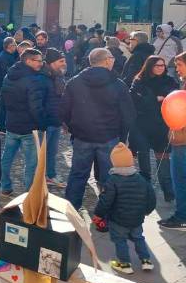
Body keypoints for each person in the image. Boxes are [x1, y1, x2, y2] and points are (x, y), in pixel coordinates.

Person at [60, 48, 136, 210]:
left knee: (78, 175)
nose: (114, 60)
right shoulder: (118, 84)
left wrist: (74, 128)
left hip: (83, 137)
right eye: (112, 58)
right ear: (107, 60)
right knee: (109, 178)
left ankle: (71, 212)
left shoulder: (74, 82)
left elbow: (64, 111)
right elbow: (128, 115)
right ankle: (105, 215)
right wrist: (122, 138)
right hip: (108, 137)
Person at [93, 143, 156, 275]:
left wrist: (98, 215)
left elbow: (105, 201)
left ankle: (125, 264)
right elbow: (151, 197)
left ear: (114, 163)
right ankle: (146, 261)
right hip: (137, 218)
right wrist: (147, 211)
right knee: (139, 238)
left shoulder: (112, 180)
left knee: (119, 240)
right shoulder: (141, 179)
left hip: (118, 219)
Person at [0, 48, 52, 194]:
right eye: (39, 61)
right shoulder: (33, 80)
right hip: (29, 128)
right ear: (28, 61)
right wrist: (42, 124)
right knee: (31, 163)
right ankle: (29, 193)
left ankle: (5, 186)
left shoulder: (8, 76)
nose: (41, 64)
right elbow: (36, 108)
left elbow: (3, 101)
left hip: (12, 124)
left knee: (7, 158)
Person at [129, 55, 179, 201]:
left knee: (163, 160)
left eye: (162, 65)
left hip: (162, 126)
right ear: (150, 66)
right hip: (141, 126)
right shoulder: (139, 80)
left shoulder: (170, 81)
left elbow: (173, 98)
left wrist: (151, 99)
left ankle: (168, 192)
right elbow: (134, 100)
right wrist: (155, 99)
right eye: (157, 65)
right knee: (143, 160)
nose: (161, 68)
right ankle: (146, 192)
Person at [161, 52, 186, 230]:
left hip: (182, 140)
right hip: (180, 138)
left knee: (179, 178)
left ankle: (181, 216)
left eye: (180, 65)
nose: (176, 68)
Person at [43, 48, 68, 187]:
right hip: (47, 122)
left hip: (56, 120)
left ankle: (50, 175)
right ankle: (39, 177)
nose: (64, 63)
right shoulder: (44, 77)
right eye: (61, 61)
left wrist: (63, 120)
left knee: (52, 152)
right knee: (41, 153)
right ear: (52, 63)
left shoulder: (59, 76)